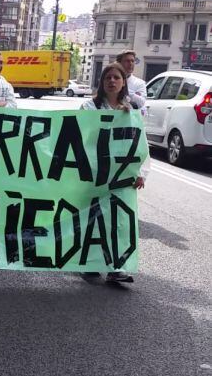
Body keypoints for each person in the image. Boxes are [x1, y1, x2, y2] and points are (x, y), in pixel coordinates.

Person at [80, 62, 148, 284]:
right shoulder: (89, 108)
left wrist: (141, 173)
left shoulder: (132, 111)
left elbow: (141, 145)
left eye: (116, 78)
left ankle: (117, 267)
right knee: (94, 219)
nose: (112, 81)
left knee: (119, 222)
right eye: (108, 77)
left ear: (123, 83)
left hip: (121, 176)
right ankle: (90, 263)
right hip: (95, 174)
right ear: (102, 82)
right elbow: (79, 137)